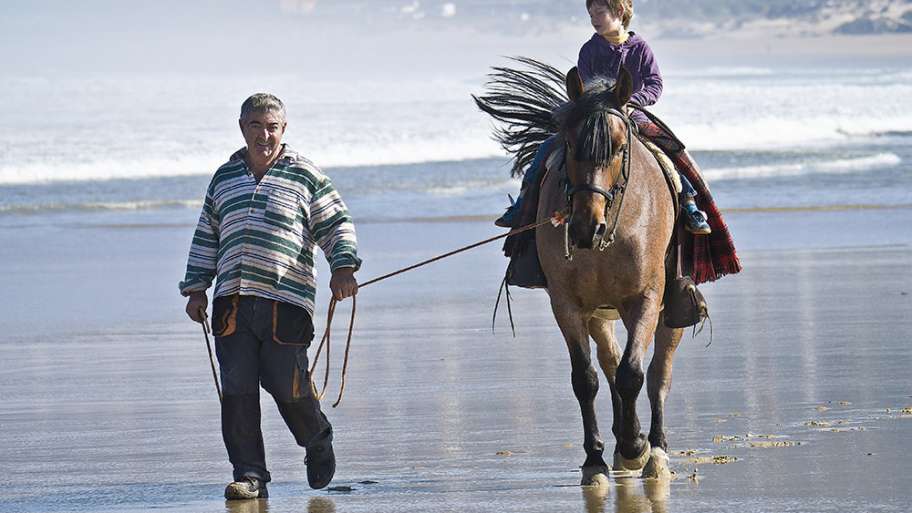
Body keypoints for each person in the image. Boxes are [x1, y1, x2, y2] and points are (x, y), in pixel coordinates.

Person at [179, 93, 361, 500]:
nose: (265, 134)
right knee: (238, 390)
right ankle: (250, 475)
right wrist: (195, 289)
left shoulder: (305, 175)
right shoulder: (224, 178)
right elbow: (207, 234)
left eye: (272, 126)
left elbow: (336, 223)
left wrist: (343, 267)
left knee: (287, 385)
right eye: (256, 125)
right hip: (231, 302)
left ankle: (316, 437)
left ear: (284, 129)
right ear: (242, 127)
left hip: (286, 301)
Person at [495, 0, 712, 236]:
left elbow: (655, 84)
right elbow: (586, 89)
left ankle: (690, 204)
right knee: (546, 150)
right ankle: (521, 205)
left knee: (667, 150)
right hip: (593, 117)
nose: (594, 19)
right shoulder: (589, 49)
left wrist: (633, 101)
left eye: (599, 13)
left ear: (619, 12)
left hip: (631, 115)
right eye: (591, 15)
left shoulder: (640, 48)